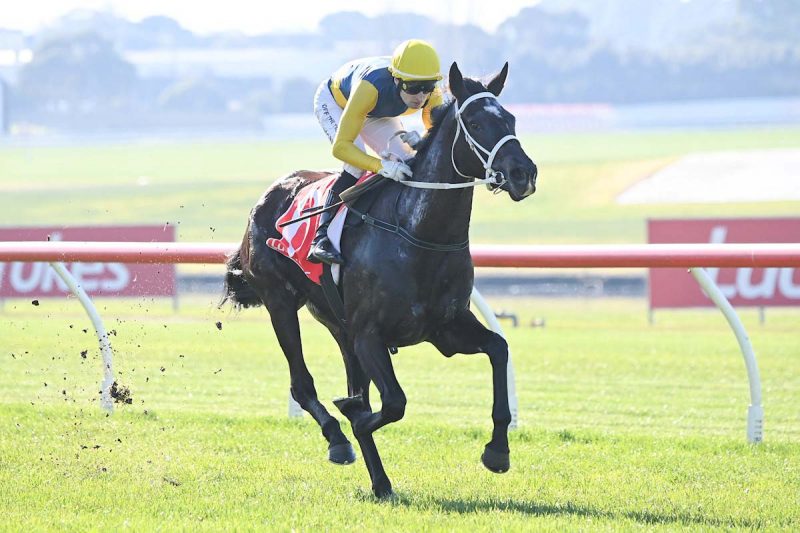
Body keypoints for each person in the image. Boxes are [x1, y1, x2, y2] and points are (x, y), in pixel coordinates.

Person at [308, 39, 445, 265]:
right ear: (397, 79)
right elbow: (341, 148)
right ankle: (321, 237)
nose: (421, 96)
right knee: (356, 165)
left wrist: (421, 141)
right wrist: (380, 166)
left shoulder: (433, 94)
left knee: (407, 161)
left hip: (376, 111)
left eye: (427, 87)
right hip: (338, 102)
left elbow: (435, 138)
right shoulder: (370, 87)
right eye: (413, 88)